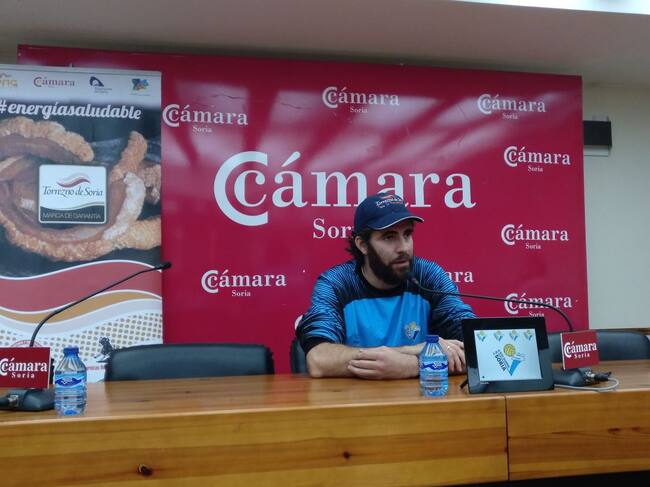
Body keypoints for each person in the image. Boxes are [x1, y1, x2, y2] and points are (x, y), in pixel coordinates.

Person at [296, 193, 475, 379]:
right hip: (356, 396)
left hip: (423, 395)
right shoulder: (336, 283)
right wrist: (414, 351)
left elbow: (475, 348)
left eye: (407, 234)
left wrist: (415, 365)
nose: (403, 248)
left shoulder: (428, 277)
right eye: (389, 237)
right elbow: (319, 360)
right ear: (363, 245)